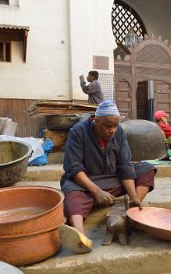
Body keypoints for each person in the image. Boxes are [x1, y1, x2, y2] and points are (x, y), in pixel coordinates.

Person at [60, 100, 156, 253]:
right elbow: (73, 167)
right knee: (71, 190)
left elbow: (125, 165)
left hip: (113, 178)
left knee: (146, 168)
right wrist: (97, 191)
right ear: (96, 121)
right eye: (108, 126)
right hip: (87, 181)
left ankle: (132, 212)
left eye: (115, 126)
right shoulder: (78, 131)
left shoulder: (118, 133)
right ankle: (79, 235)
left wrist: (134, 197)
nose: (112, 130)